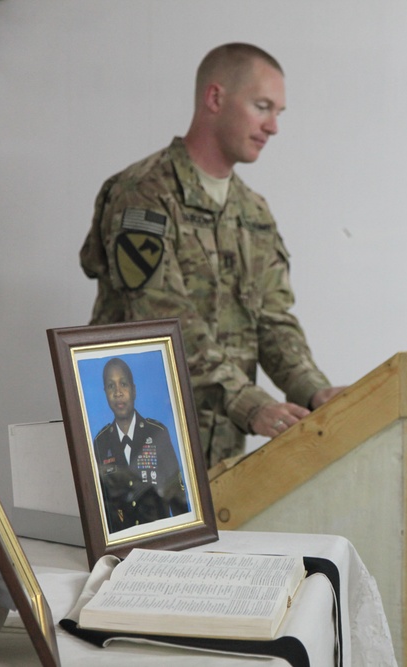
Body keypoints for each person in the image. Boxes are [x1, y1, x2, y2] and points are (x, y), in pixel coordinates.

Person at [80, 43, 345, 468]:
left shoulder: (253, 211)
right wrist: (250, 403)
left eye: (279, 113)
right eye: (262, 107)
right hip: (140, 447)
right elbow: (162, 322)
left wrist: (313, 390)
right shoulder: (144, 195)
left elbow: (273, 321)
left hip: (221, 452)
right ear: (215, 99)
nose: (273, 126)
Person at [93, 357, 188, 534]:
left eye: (124, 384)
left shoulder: (157, 432)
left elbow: (176, 489)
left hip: (159, 532)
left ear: (134, 390)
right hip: (121, 536)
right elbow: (101, 499)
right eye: (111, 386)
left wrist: (184, 533)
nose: (118, 392)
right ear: (105, 392)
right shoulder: (101, 441)